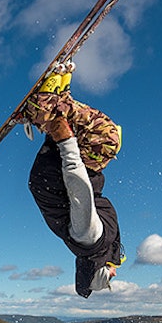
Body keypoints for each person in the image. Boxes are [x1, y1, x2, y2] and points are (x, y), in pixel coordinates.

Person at [21, 62, 125, 297]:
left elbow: (80, 190)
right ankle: (58, 98)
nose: (115, 274)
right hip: (55, 183)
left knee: (107, 138)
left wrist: (67, 143)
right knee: (104, 145)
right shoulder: (97, 247)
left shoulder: (89, 238)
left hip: (56, 181)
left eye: (107, 278)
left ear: (97, 270)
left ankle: (44, 105)